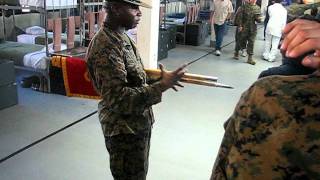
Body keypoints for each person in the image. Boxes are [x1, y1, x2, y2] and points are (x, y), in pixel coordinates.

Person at [86, 0, 187, 179]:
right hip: (123, 131)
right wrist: (162, 86)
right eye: (133, 7)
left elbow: (134, 76)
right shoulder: (105, 46)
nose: (139, 13)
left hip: (137, 125)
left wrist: (157, 78)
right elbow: (119, 99)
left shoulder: (122, 37)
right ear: (116, 8)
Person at [210, 19, 320, 179]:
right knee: (253, 41)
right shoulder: (266, 88)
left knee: (255, 42)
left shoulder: (266, 88)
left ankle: (247, 54)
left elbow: (227, 148)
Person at [233, 0, 262, 65]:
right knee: (240, 40)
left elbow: (259, 19)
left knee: (251, 42)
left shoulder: (258, 8)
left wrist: (259, 19)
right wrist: (240, 26)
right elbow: (240, 17)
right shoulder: (244, 7)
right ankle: (236, 52)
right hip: (244, 28)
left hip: (253, 29)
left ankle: (250, 58)